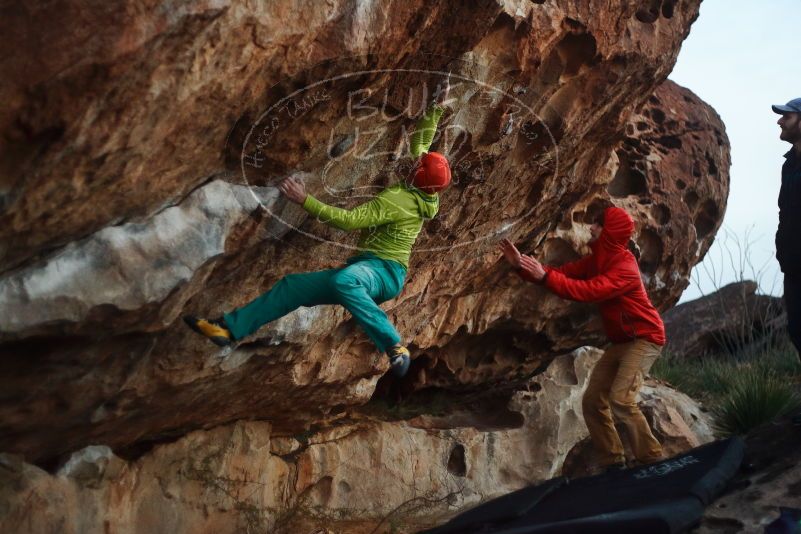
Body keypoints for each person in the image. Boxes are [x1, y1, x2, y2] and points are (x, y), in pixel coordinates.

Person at [184, 79, 452, 378]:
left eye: (418, 166)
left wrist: (305, 200)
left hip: (384, 272)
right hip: (372, 268)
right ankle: (228, 329)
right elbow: (421, 146)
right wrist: (436, 110)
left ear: (418, 177)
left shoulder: (399, 200)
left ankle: (394, 346)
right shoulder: (427, 191)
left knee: (347, 281)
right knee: (293, 287)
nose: (414, 162)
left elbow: (349, 221)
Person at [499, 206, 666, 471]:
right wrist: (522, 267)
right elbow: (563, 275)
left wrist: (545, 275)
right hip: (621, 341)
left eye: (598, 225)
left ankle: (653, 461)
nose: (591, 228)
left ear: (610, 232)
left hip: (645, 339)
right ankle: (613, 463)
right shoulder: (598, 260)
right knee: (592, 401)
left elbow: (588, 291)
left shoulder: (624, 266)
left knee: (621, 399)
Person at [772, 98, 801, 360]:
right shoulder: (789, 164)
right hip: (793, 268)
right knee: (797, 331)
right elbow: (785, 212)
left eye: (787, 117)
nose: (779, 121)